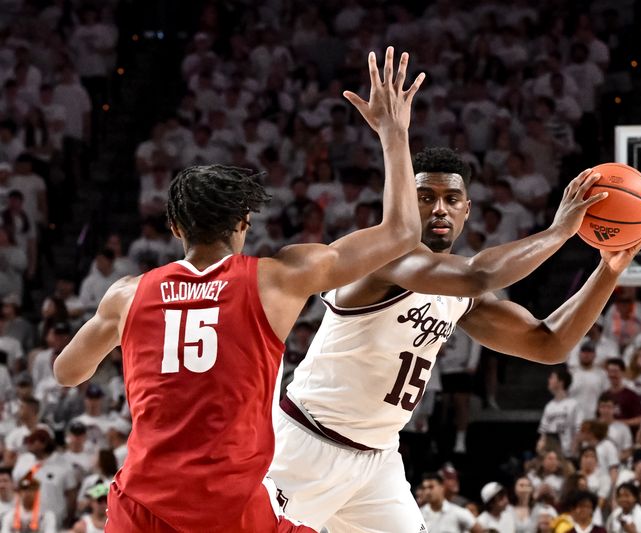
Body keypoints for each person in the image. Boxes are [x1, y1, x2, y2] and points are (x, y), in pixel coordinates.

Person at [52, 48, 426, 533]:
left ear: (173, 227)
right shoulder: (279, 278)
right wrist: (394, 134)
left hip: (140, 505)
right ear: (245, 222)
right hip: (231, 510)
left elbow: (66, 372)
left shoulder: (126, 294)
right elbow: (401, 232)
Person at [269, 145, 641, 531]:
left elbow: (549, 343)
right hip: (308, 443)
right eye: (425, 197)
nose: (439, 209)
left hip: (376, 458)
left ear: (466, 210)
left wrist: (608, 270)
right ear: (404, 202)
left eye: (451, 199)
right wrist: (559, 232)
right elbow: (479, 274)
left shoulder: (458, 294)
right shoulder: (382, 260)